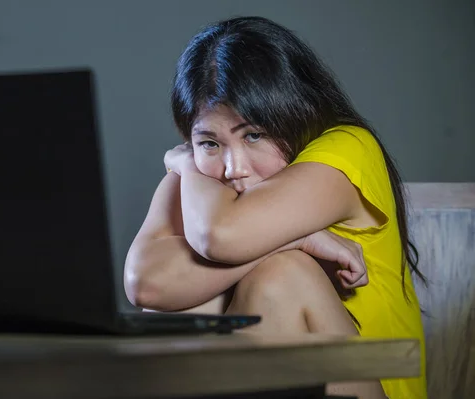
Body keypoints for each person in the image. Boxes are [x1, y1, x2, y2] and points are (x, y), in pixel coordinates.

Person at [123, 16, 427, 399]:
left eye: (253, 135)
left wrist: (185, 163)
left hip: (372, 386)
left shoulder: (348, 148)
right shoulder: (206, 179)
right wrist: (298, 239)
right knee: (183, 299)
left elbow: (222, 236)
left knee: (281, 275)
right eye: (209, 142)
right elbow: (146, 285)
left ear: (295, 112)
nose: (235, 170)